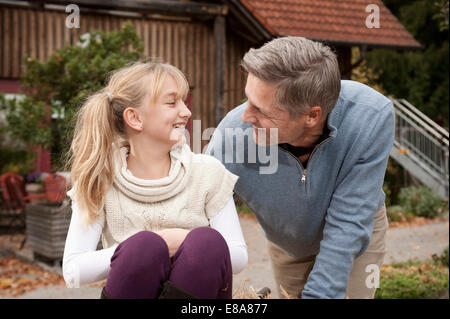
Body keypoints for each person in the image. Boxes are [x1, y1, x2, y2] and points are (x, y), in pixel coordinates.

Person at [206, 36, 395, 299]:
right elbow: (197, 205)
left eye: (262, 110)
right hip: (287, 240)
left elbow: (348, 223)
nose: (246, 116)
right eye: (247, 99)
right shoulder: (232, 134)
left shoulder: (370, 116)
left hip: (354, 233)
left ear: (311, 115)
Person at [62, 61, 248, 299]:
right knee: (144, 248)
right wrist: (155, 245)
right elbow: (73, 270)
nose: (186, 111)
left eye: (184, 100)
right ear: (135, 118)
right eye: (172, 102)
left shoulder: (208, 173)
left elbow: (239, 256)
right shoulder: (100, 179)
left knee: (206, 242)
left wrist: (182, 242)